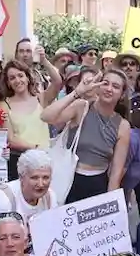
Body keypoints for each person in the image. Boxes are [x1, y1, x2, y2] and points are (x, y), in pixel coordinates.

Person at [41, 68, 132, 202]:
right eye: (105, 83)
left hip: (97, 185)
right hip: (68, 180)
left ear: (122, 94)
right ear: (98, 86)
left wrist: (111, 204)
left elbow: (115, 174)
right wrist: (77, 92)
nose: (109, 89)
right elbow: (46, 116)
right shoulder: (81, 107)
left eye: (116, 86)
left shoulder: (123, 126)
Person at [0, 50, 62, 179]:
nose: (17, 80)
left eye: (20, 75)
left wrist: (44, 61)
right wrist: (36, 148)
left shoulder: (41, 99)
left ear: (27, 77)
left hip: (44, 160)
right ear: (8, 83)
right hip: (20, 162)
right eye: (12, 78)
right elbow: (11, 139)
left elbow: (57, 82)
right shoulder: (4, 105)